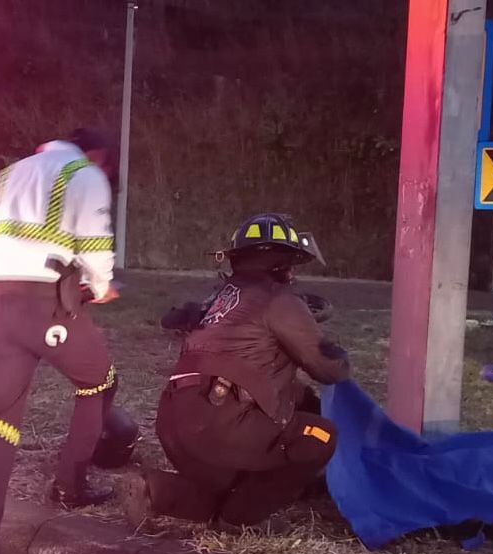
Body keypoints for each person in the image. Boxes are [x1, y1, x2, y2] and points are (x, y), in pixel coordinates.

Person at [118, 213, 349, 530]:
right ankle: (238, 521)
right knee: (323, 437)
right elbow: (329, 370)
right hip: (220, 428)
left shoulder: (219, 297)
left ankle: (155, 491)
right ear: (280, 263)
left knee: (238, 485)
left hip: (175, 425)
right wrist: (340, 356)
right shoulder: (280, 301)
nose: (294, 272)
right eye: (292, 262)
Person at [0, 128, 120, 554]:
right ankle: (70, 485)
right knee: (98, 379)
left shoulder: (6, 176)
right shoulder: (85, 173)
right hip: (42, 301)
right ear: (97, 153)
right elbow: (94, 242)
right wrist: (103, 286)